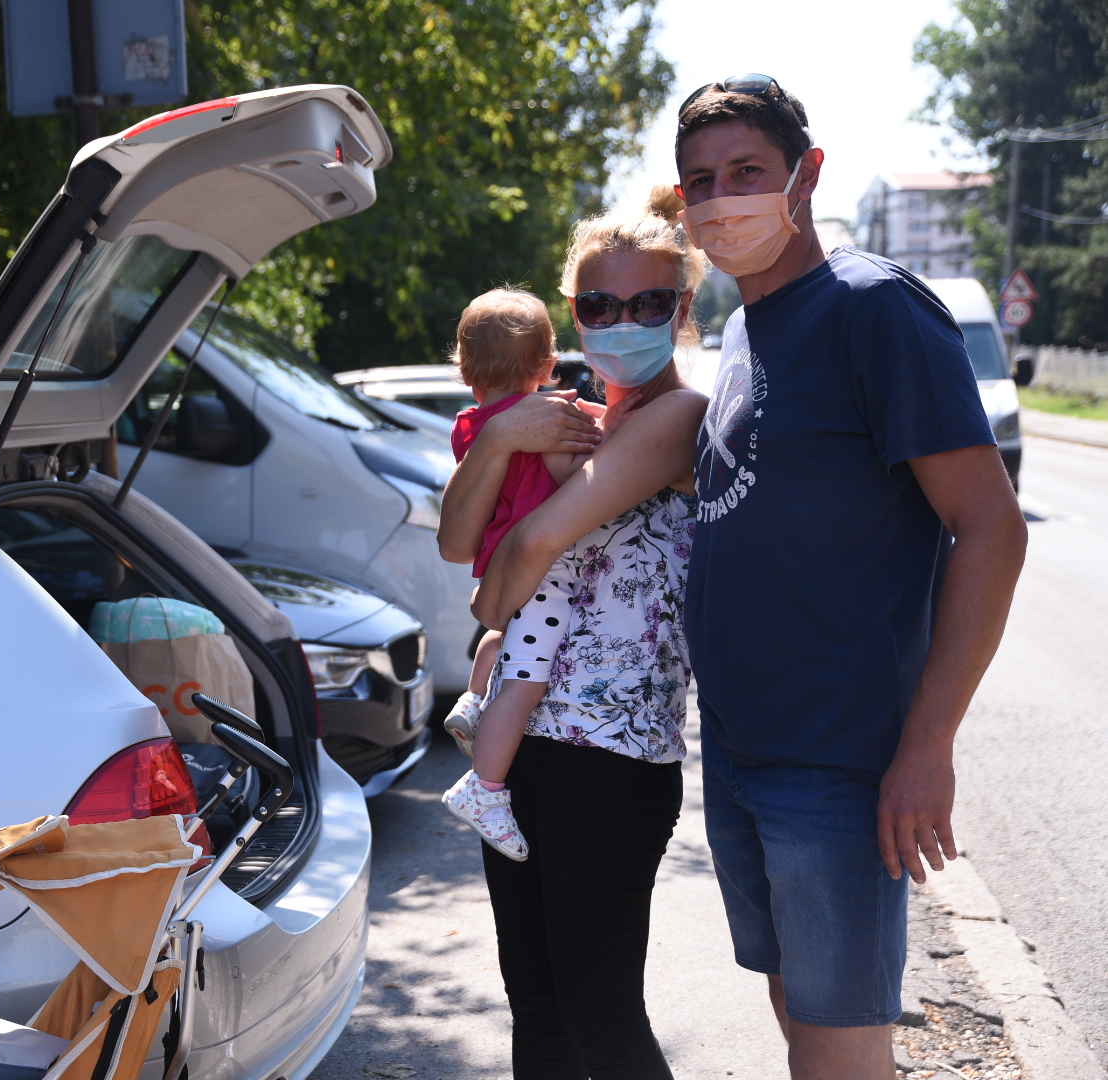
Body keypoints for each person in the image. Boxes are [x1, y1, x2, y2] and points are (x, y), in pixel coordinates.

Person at [671, 75, 1027, 1080]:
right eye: (700, 182)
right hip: (745, 755)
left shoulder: (874, 310)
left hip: (840, 764)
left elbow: (991, 527)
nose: (721, 198)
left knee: (843, 1051)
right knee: (801, 1022)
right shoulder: (744, 327)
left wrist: (928, 745)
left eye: (746, 172)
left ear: (806, 174)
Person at [440, 185, 710, 1080]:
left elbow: (526, 543)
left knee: (600, 1016)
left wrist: (490, 609)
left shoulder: (678, 418)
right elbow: (455, 542)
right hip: (521, 753)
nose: (620, 320)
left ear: (681, 310)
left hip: (611, 758)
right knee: (540, 1014)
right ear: (573, 317)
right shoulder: (579, 422)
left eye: (647, 303)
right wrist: (498, 438)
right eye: (599, 304)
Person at [437, 287, 644, 860]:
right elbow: (579, 463)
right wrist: (614, 430)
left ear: (463, 368)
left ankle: (474, 698)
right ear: (548, 367)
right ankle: (484, 787)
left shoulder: (470, 427)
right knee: (526, 682)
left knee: (507, 639)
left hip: (500, 567)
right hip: (545, 572)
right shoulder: (548, 423)